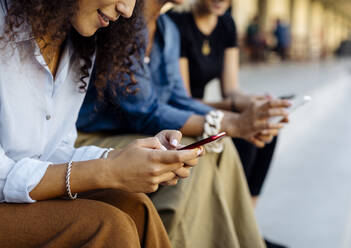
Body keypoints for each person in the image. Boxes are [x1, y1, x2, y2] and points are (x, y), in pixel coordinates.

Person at [77, 0, 290, 247]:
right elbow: (145, 110)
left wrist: (231, 122)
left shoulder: (167, 28)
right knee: (191, 152)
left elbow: (179, 97)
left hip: (135, 131)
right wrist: (228, 122)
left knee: (216, 146)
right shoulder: (120, 22)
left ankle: (247, 241)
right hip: (93, 134)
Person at [0, 0, 202, 247]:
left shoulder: (78, 44)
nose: (127, 10)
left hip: (19, 195)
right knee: (107, 225)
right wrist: (109, 171)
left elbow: (56, 150)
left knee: (137, 207)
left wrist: (129, 158)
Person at [168, 1, 288, 247]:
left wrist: (255, 103)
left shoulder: (226, 23)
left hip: (208, 107)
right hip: (186, 110)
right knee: (244, 135)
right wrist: (238, 113)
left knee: (266, 129)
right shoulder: (177, 24)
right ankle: (230, 224)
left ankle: (246, 225)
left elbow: (231, 89)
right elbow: (184, 99)